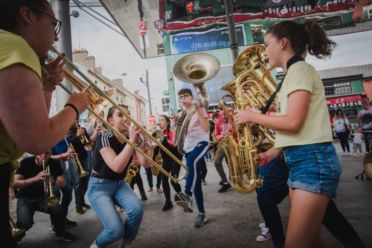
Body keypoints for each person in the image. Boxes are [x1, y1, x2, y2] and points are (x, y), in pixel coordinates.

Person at [234, 20, 342, 247]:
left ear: (283, 43)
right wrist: (274, 151)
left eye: (266, 44)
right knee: (312, 242)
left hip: (312, 162)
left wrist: (252, 116)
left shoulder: (299, 70)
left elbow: (293, 122)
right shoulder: (295, 72)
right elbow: (304, 126)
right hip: (304, 160)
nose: (264, 52)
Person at [0, 1, 88, 245]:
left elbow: (35, 123)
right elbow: (38, 139)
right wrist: (74, 107)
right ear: (27, 15)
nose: (56, 37)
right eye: (53, 23)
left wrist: (47, 85)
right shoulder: (15, 46)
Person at [88, 104, 150, 248]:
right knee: (115, 230)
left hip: (119, 183)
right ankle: (96, 245)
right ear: (110, 121)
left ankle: (126, 243)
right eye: (120, 115)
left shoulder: (131, 137)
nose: (126, 118)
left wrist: (144, 142)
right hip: (99, 187)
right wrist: (132, 142)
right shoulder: (104, 137)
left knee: (137, 210)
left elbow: (145, 164)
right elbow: (116, 167)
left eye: (128, 114)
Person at [13, 152, 75, 242]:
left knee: (57, 209)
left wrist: (52, 180)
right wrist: (36, 178)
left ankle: (60, 233)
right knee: (25, 223)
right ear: (35, 154)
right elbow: (15, 183)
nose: (43, 157)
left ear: (50, 154)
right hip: (26, 198)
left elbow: (62, 182)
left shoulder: (54, 163)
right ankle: (14, 238)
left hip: (44, 197)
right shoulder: (26, 162)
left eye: (47, 154)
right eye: (40, 154)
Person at [175, 88, 210, 228]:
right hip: (188, 146)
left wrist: (197, 110)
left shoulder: (200, 108)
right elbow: (180, 134)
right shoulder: (182, 114)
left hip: (201, 142)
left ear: (191, 97)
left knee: (192, 162)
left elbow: (206, 127)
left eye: (185, 96)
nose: (183, 99)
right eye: (181, 97)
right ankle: (201, 213)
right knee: (195, 181)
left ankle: (186, 194)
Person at [157, 115, 183, 211]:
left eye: (162, 120)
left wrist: (163, 139)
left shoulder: (172, 130)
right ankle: (168, 201)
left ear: (167, 122)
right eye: (159, 120)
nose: (160, 121)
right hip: (166, 159)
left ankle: (180, 193)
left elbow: (174, 143)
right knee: (164, 180)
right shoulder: (158, 133)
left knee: (173, 180)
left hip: (175, 157)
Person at [214, 110, 232, 193]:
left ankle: (233, 179)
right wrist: (221, 136)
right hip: (222, 143)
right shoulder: (218, 120)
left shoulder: (232, 119)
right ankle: (225, 182)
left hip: (232, 144)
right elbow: (215, 135)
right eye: (222, 112)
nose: (224, 114)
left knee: (231, 164)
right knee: (217, 162)